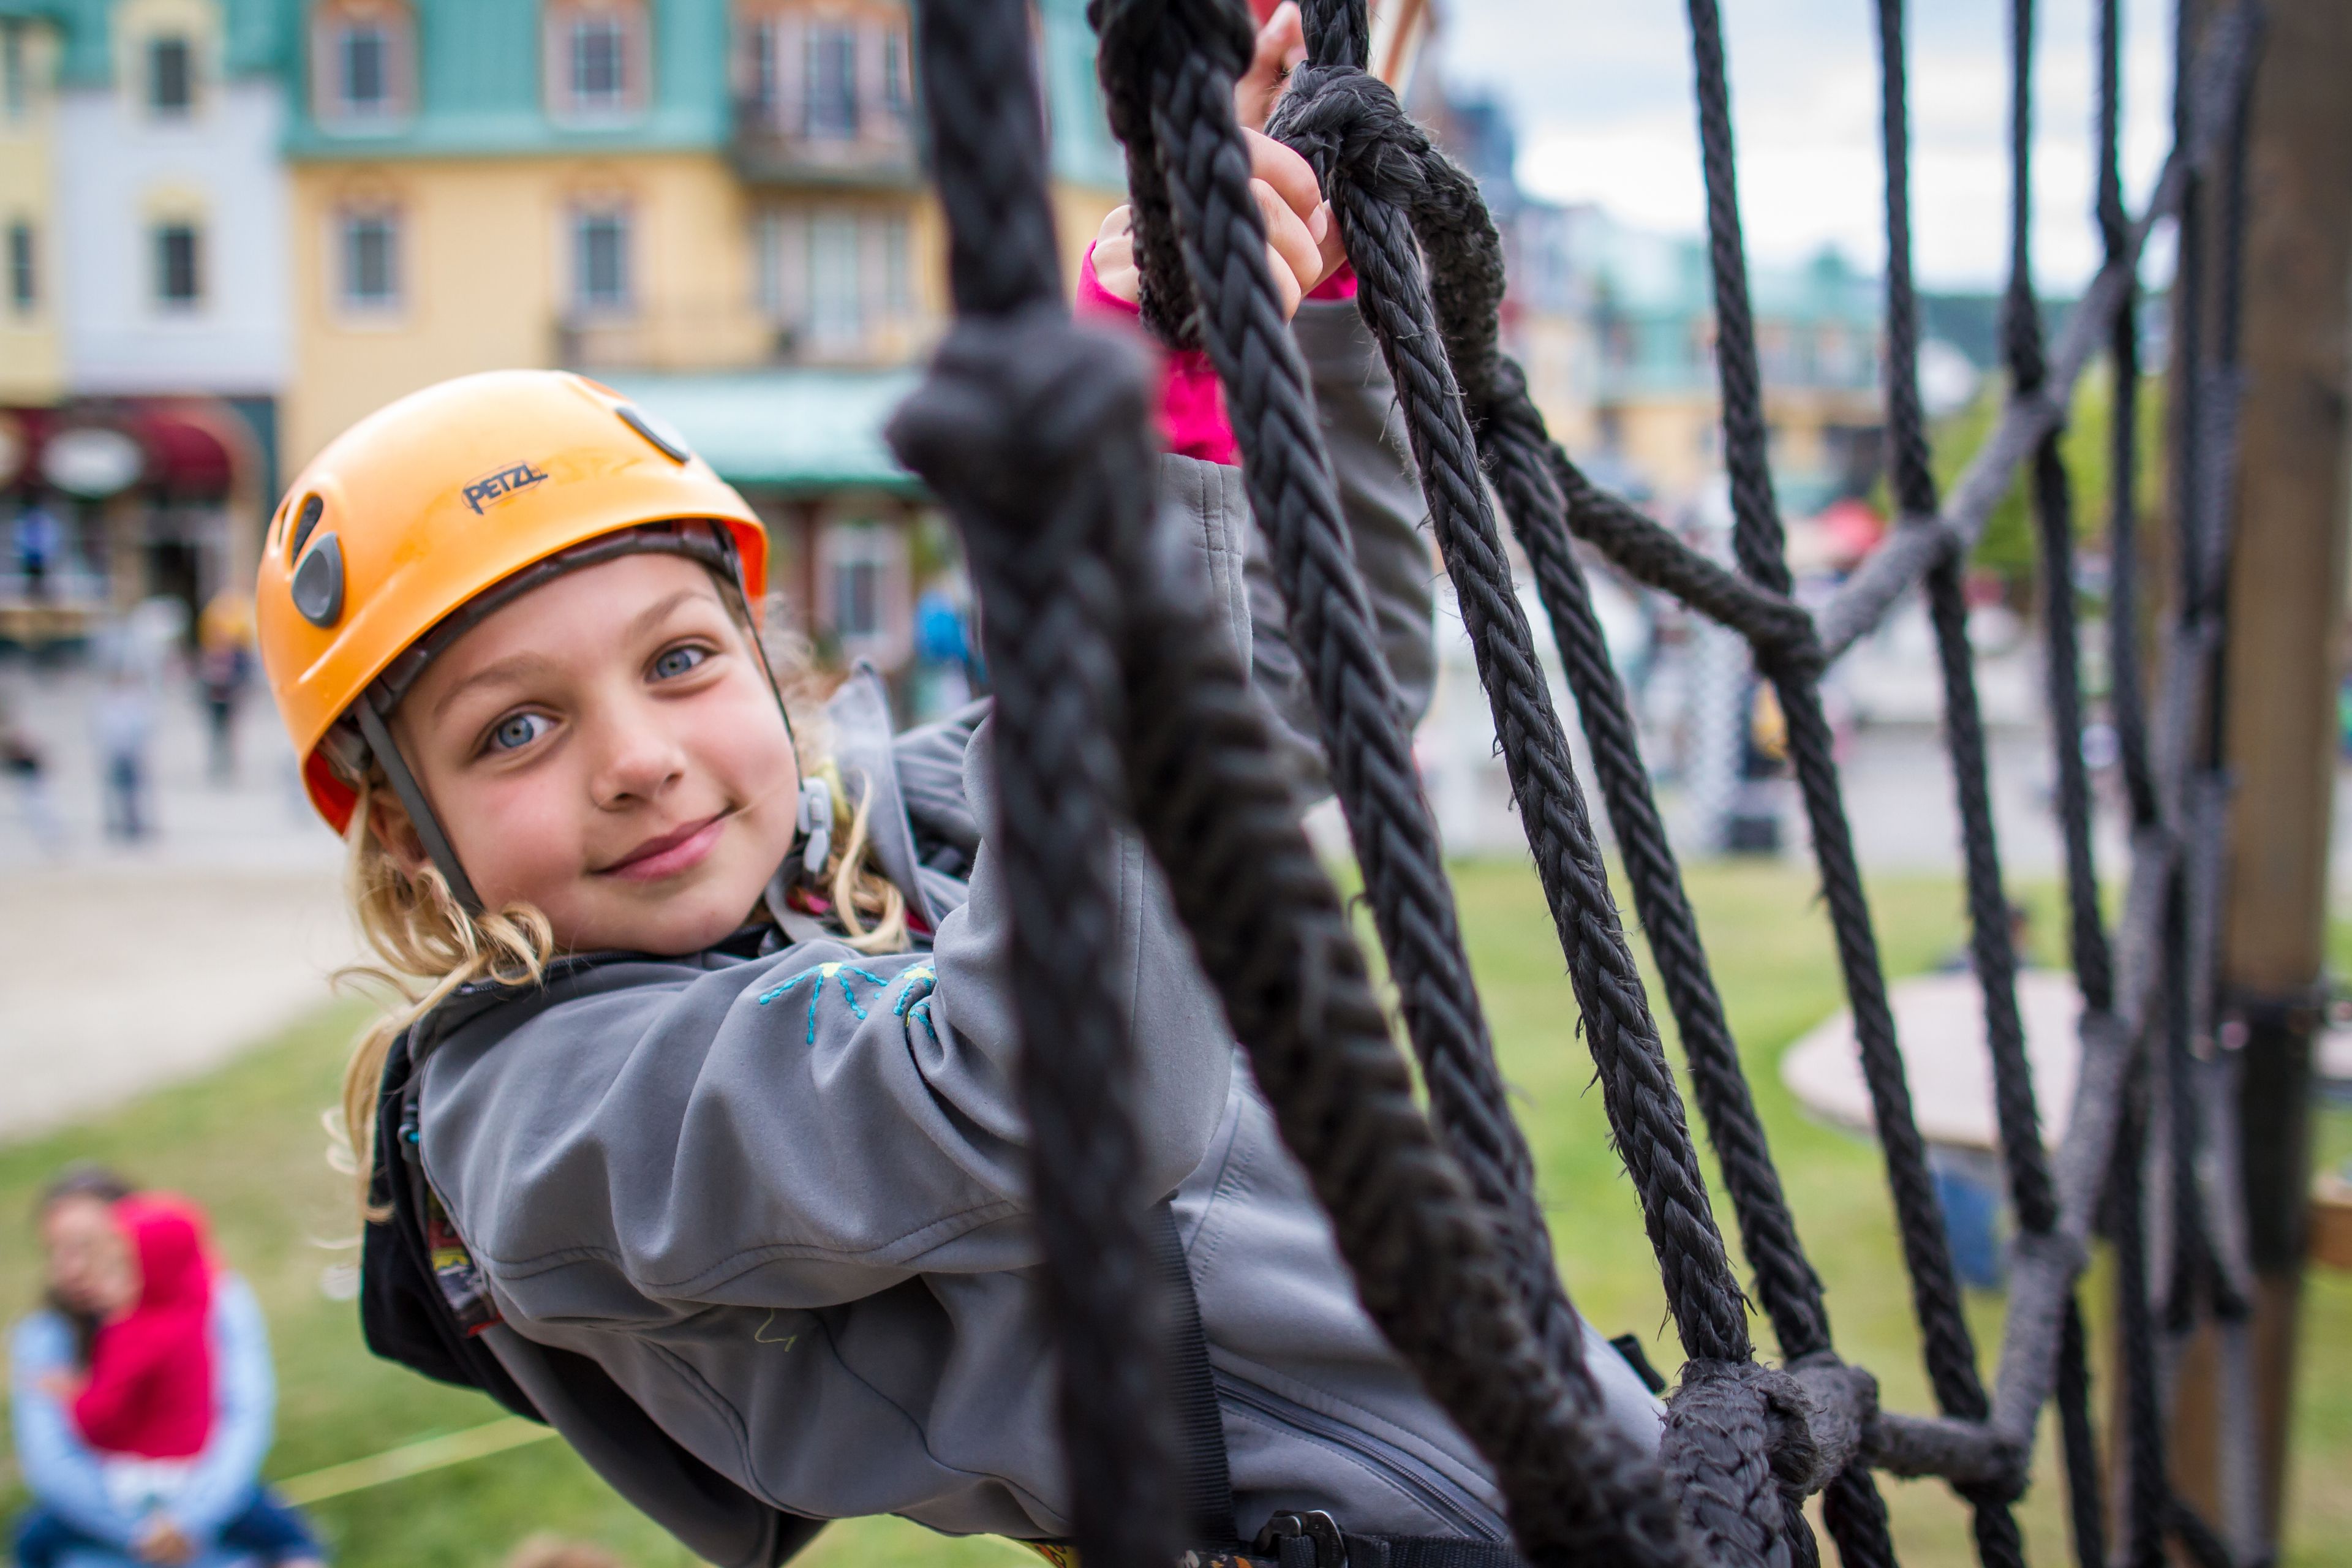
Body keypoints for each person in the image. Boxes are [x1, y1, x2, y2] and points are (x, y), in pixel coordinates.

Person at [252, 39, 1659, 1568]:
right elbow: (1076, 1100)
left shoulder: (880, 836)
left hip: (1571, 1441)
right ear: (402, 827)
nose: (638, 756)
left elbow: (1321, 689)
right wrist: (1134, 474)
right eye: (516, 726)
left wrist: (1277, 312)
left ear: (764, 659)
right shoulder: (549, 1125)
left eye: (676, 659)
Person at [11, 1170, 326, 1568]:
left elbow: (245, 1413)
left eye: (87, 1248)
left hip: (200, 1497)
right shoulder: (45, 1335)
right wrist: (139, 1529)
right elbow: (51, 1461)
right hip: (110, 1514)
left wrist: (190, 1518)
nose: (71, 1269)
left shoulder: (206, 1307)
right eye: (55, 1252)